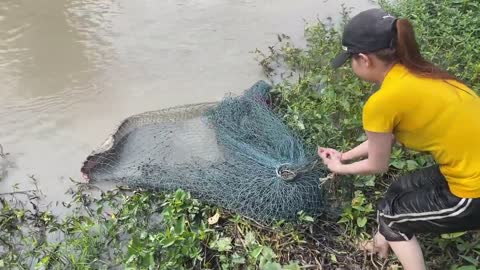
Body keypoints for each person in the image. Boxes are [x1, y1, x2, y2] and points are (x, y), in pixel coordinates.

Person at [318, 8, 480, 270]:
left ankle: (395, 235)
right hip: (471, 165)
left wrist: (339, 168)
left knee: (394, 218)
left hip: (474, 192)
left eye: (351, 60)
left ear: (364, 59)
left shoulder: (383, 101)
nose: (352, 66)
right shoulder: (420, 74)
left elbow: (377, 165)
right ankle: (382, 244)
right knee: (400, 189)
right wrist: (344, 155)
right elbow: (384, 141)